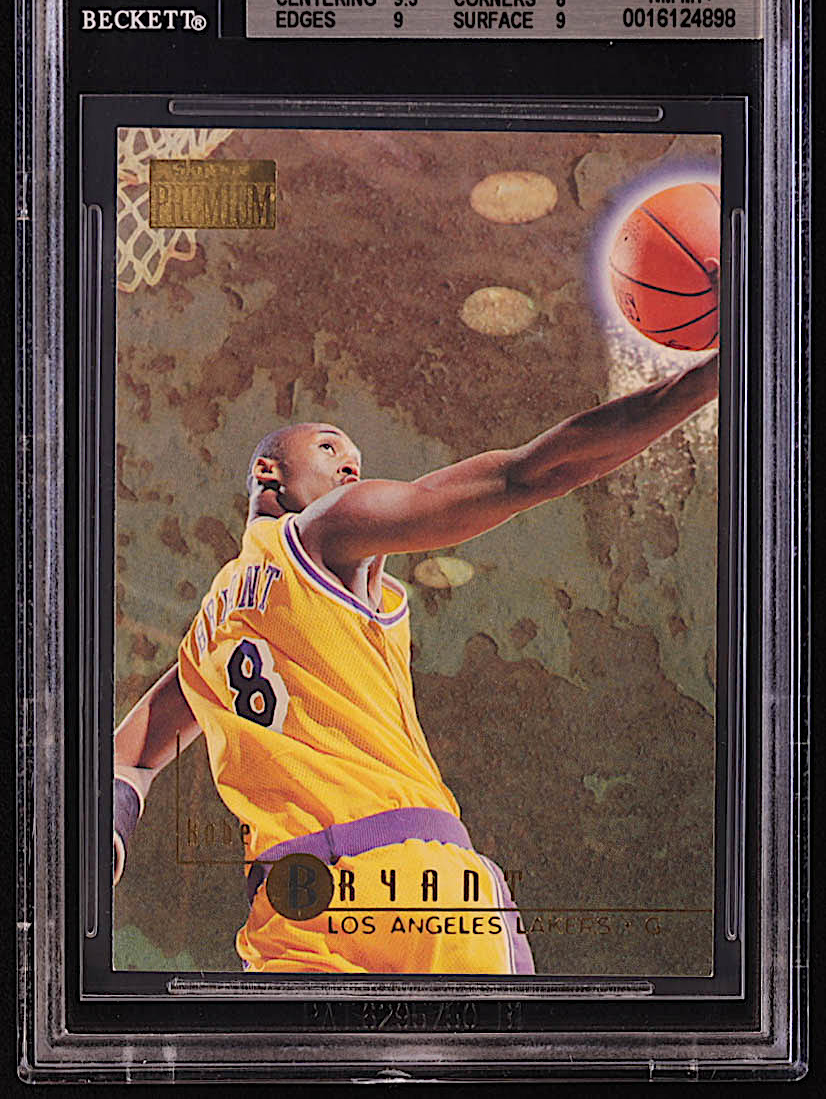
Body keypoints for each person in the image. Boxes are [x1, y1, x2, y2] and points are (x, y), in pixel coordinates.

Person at [114, 351, 718, 974]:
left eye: (356, 460)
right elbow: (525, 474)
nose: (351, 465)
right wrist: (701, 381)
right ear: (269, 472)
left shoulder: (210, 633)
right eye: (328, 447)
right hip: (396, 882)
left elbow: (127, 758)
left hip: (320, 902)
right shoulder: (313, 537)